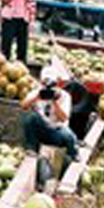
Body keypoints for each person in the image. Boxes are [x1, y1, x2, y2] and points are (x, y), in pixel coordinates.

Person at [21, 61, 79, 194]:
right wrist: (37, 97)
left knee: (69, 136)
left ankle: (72, 157)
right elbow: (23, 106)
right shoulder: (37, 92)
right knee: (30, 117)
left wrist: (55, 101)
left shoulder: (64, 96)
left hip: (57, 131)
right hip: (41, 129)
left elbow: (64, 118)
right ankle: (31, 148)